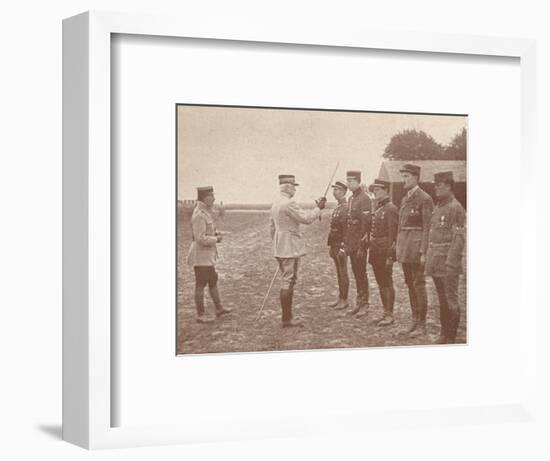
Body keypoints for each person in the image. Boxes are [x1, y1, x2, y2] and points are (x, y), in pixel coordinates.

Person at [270, 174, 327, 328]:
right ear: (287, 187)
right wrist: (318, 208)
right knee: (289, 281)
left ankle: (287, 317)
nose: (295, 189)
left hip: (280, 246)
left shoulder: (276, 203)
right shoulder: (289, 203)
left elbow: (272, 228)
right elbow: (307, 219)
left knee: (286, 279)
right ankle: (287, 319)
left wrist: (278, 244)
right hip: (290, 247)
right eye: (293, 186)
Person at [425, 171, 466, 344]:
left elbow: (459, 238)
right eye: (435, 185)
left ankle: (451, 337)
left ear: (449, 186)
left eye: (439, 185)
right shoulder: (439, 206)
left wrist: (451, 263)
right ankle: (444, 333)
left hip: (448, 263)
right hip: (436, 261)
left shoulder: (455, 207)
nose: (436, 188)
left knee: (450, 299)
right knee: (442, 299)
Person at [396, 164, 434, 337]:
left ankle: (422, 324)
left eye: (406, 176)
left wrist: (424, 252)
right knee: (410, 284)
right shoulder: (404, 199)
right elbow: (400, 226)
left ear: (415, 178)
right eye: (402, 176)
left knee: (418, 285)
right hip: (405, 248)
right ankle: (414, 319)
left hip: (417, 249)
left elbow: (427, 227)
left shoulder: (424, 198)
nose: (403, 180)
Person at [187, 186, 232, 323]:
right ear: (204, 198)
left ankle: (219, 308)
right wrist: (216, 239)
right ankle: (200, 315)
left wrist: (215, 233)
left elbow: (206, 232)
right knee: (200, 284)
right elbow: (200, 238)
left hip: (207, 256)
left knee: (212, 280)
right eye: (211, 196)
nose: (214, 198)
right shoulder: (199, 214)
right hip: (200, 256)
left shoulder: (205, 212)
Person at [368, 179, 399, 326]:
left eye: (378, 190)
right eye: (374, 190)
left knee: (387, 282)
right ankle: (384, 312)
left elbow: (393, 235)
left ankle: (389, 314)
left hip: (384, 250)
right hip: (375, 249)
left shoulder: (391, 209)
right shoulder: (379, 208)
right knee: (381, 282)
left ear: (386, 190)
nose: (375, 192)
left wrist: (390, 256)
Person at [344, 170, 372, 317]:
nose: (348, 183)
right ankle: (359, 302)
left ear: (358, 181)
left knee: (361, 273)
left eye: (351, 181)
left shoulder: (364, 198)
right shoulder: (351, 199)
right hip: (351, 241)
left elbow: (366, 223)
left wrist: (363, 244)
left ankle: (365, 304)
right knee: (356, 272)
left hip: (360, 241)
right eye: (347, 181)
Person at [326, 180, 349, 310]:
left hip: (341, 243)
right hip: (334, 243)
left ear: (344, 192)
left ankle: (344, 299)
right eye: (334, 190)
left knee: (343, 271)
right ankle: (340, 298)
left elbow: (345, 228)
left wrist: (342, 246)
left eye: (338, 190)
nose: (335, 192)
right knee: (338, 271)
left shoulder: (345, 207)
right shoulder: (338, 207)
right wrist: (331, 245)